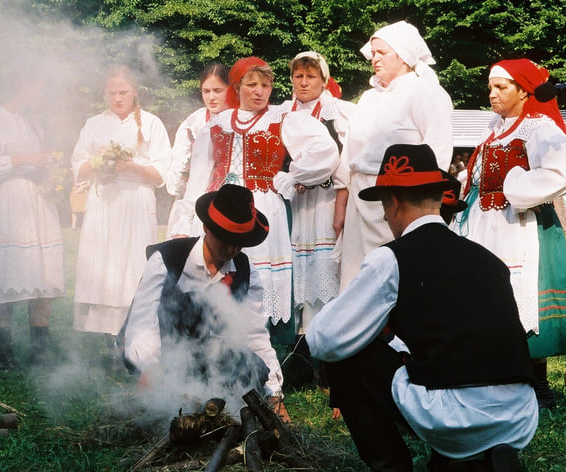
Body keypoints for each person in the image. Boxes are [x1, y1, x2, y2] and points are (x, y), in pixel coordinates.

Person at [307, 144, 537, 472]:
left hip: (454, 413)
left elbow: (323, 340)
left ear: (394, 203)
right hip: (520, 415)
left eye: (385, 207)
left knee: (346, 356)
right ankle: (466, 464)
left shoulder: (391, 258)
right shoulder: (489, 261)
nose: (386, 218)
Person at [453, 58, 566, 410]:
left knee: (522, 296)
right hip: (485, 224)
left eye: (501, 87)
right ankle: (497, 375)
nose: (492, 93)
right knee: (487, 293)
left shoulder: (540, 128)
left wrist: (518, 187)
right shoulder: (492, 127)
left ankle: (537, 382)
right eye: (491, 86)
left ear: (524, 91)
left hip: (521, 224)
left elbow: (562, 172)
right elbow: (477, 173)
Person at [183, 56, 340, 338]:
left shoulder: (282, 119)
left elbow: (326, 151)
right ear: (237, 86)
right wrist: (186, 222)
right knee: (217, 273)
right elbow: (198, 175)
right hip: (220, 207)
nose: (260, 91)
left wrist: (294, 175)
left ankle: (262, 349)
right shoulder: (216, 124)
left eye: (266, 85)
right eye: (252, 84)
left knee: (258, 278)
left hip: (262, 206)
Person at [123, 184, 284, 416]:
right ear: (206, 227)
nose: (231, 249)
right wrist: (151, 367)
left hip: (213, 358)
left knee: (248, 369)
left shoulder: (245, 270)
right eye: (225, 239)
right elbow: (142, 322)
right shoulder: (167, 259)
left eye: (239, 242)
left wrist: (274, 394)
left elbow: (254, 334)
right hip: (168, 356)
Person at [334, 21, 453, 290]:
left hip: (401, 199)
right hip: (359, 198)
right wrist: (341, 200)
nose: (374, 58)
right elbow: (350, 151)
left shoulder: (425, 92)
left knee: (396, 271)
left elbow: (438, 149)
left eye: (382, 53)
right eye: (373, 53)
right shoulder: (368, 98)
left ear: (403, 55)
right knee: (356, 275)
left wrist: (425, 202)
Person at [70, 66, 172, 345]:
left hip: (136, 201)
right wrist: (97, 161)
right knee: (104, 266)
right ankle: (107, 339)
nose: (117, 98)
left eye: (123, 92)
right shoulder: (93, 124)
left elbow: (163, 173)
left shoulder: (151, 124)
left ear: (134, 92)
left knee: (134, 267)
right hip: (104, 202)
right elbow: (77, 168)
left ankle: (133, 335)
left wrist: (132, 165)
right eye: (112, 93)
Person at [0, 85, 64, 370]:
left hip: (38, 202)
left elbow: (40, 164)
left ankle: (39, 350)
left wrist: (50, 169)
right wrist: (23, 160)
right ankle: (6, 353)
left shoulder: (33, 123)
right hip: (5, 204)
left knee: (42, 276)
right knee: (5, 277)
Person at [279, 51, 356, 344]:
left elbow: (345, 161)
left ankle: (323, 339)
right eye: (298, 76)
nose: (304, 82)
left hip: (324, 201)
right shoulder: (283, 112)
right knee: (295, 266)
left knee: (324, 268)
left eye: (311, 76)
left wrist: (341, 206)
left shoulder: (337, 112)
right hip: (294, 202)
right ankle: (296, 342)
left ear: (324, 81)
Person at [165, 62, 230, 238]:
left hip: (225, 197)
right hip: (192, 195)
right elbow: (178, 162)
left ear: (230, 89)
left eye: (218, 91)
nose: (211, 97)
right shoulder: (194, 122)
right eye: (206, 91)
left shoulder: (237, 120)